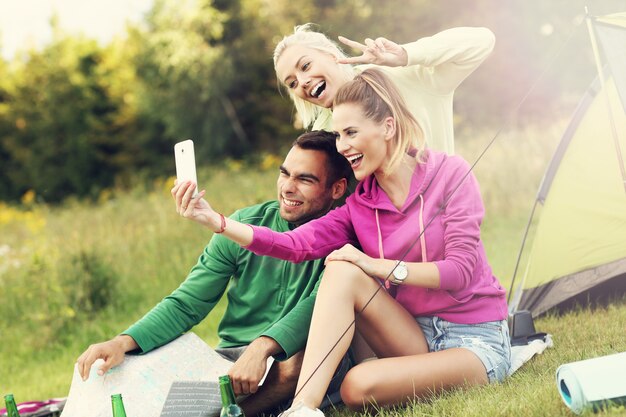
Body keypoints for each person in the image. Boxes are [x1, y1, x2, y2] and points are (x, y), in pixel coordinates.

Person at [173, 68, 510, 415]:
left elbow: (461, 272)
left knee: (357, 385)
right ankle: (302, 409)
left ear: (388, 127)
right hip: (413, 338)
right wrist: (217, 222)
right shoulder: (360, 205)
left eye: (350, 132)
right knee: (341, 272)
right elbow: (292, 245)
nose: (342, 146)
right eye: (338, 134)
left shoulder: (450, 173)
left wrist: (374, 266)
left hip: (473, 338)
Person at [76, 131, 353, 416]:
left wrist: (262, 348)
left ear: (337, 188)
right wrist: (122, 342)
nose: (287, 188)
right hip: (229, 359)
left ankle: (231, 413)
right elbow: (188, 302)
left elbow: (318, 307)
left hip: (294, 358)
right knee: (133, 363)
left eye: (305, 179)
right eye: (284, 174)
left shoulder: (346, 237)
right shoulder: (243, 225)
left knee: (297, 360)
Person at [273, 24, 495, 155]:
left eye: (305, 66)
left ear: (332, 56)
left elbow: (482, 41)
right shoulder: (323, 135)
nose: (302, 82)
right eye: (292, 83)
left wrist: (404, 55)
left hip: (444, 226)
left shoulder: (402, 75)